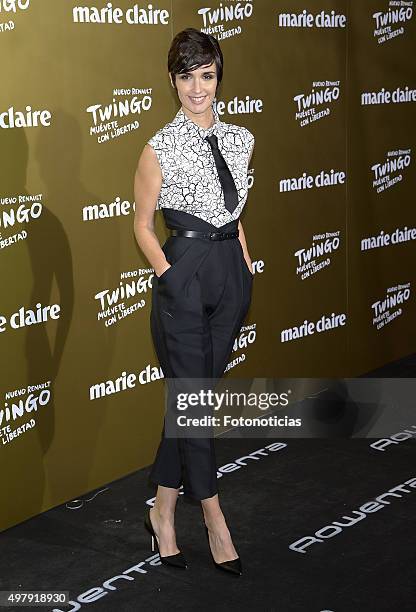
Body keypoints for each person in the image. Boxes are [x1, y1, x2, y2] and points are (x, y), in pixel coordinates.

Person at [133, 28, 254, 576]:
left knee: (190, 404)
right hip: (184, 280)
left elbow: (235, 209)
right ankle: (213, 517)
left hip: (230, 276)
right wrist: (170, 275)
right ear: (173, 81)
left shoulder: (242, 139)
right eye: (186, 76)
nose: (196, 87)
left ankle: (162, 510)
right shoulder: (159, 145)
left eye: (205, 74)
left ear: (218, 77)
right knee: (197, 404)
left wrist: (245, 263)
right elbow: (141, 225)